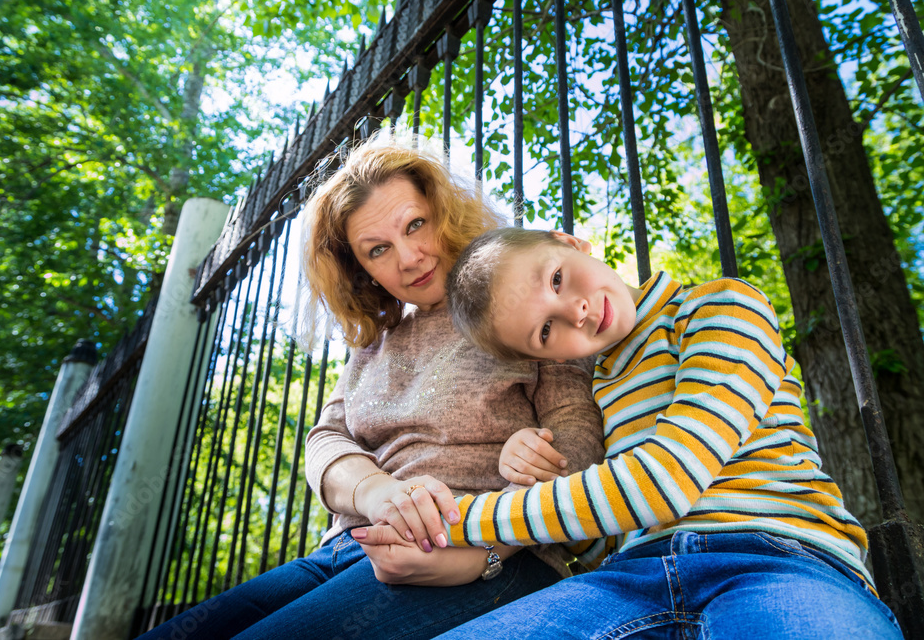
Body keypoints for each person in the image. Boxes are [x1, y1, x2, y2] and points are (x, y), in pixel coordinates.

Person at [136, 143, 605, 640]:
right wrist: (378, 493)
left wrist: (485, 547)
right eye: (377, 249)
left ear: (444, 213)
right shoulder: (374, 346)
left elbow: (577, 437)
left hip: (473, 552)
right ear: (362, 269)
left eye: (415, 224)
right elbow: (324, 442)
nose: (408, 258)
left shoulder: (527, 302)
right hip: (340, 549)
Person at [354, 227, 902, 638]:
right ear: (535, 355)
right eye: (545, 331)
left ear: (569, 242)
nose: (578, 312)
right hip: (626, 578)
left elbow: (662, 482)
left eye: (557, 279)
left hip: (779, 557)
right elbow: (590, 543)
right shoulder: (590, 391)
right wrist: (523, 466)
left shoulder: (720, 306)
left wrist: (454, 521)